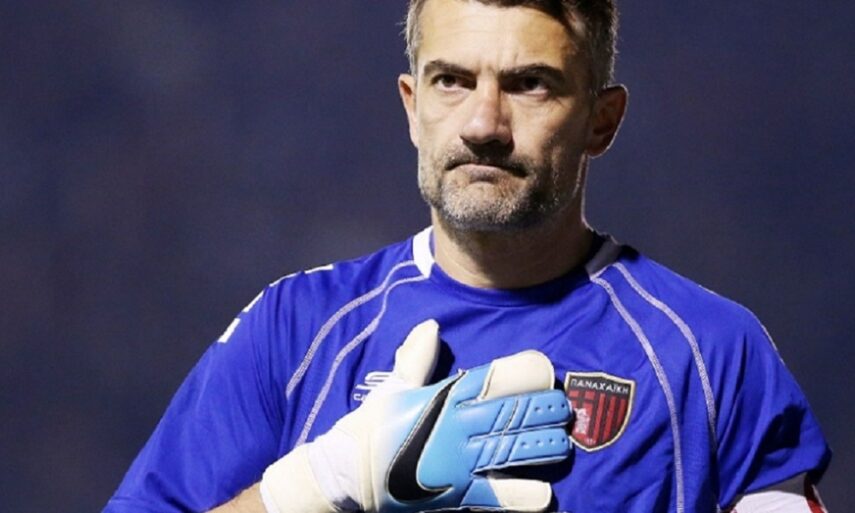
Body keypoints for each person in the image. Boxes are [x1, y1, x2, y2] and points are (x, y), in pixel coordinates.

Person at [103, 1, 831, 512]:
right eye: (452, 81)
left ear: (601, 120)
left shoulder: (713, 354)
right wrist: (324, 482)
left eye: (529, 84)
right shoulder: (292, 330)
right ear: (411, 106)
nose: (484, 124)